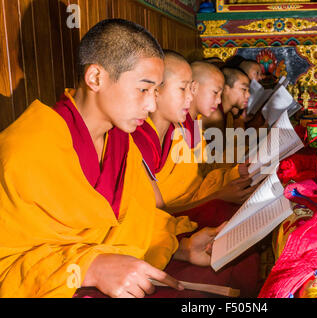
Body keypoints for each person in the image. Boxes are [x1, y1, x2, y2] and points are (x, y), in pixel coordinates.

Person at [0, 19, 227, 298]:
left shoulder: (121, 144)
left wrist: (183, 247)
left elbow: (139, 221)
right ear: (95, 78)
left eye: (155, 92)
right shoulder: (25, 148)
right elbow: (7, 266)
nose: (152, 105)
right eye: (143, 89)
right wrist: (86, 268)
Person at [132, 51, 254, 212]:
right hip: (175, 218)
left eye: (191, 88)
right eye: (183, 88)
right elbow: (156, 214)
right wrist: (217, 196)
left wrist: (236, 173)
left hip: (192, 201)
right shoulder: (139, 139)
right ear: (155, 90)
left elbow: (201, 173)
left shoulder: (185, 126)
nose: (191, 96)